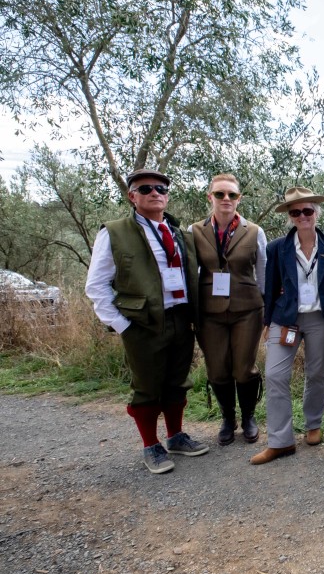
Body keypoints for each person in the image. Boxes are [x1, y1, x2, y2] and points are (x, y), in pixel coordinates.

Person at [85, 168, 208, 474]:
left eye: (161, 189)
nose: (155, 193)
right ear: (132, 196)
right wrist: (122, 325)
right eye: (146, 189)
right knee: (147, 386)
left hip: (181, 318)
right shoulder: (114, 232)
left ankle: (175, 436)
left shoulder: (178, 233)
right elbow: (96, 286)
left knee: (177, 381)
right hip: (143, 323)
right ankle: (150, 445)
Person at [250, 187, 324, 465]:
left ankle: (313, 425)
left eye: (307, 210)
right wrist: (267, 321)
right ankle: (280, 441)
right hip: (285, 318)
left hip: (320, 319)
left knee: (316, 374)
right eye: (295, 212)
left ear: (316, 213)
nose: (302, 216)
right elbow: (270, 286)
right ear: (290, 217)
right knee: (275, 375)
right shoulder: (277, 248)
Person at [189, 174, 267, 446]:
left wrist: (266, 309)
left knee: (244, 369)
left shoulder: (254, 231)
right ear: (209, 197)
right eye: (220, 194)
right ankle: (227, 418)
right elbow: (191, 273)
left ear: (238, 199)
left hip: (247, 310)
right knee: (217, 369)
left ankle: (248, 417)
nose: (226, 199)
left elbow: (263, 273)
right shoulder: (194, 231)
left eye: (231, 195)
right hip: (209, 312)